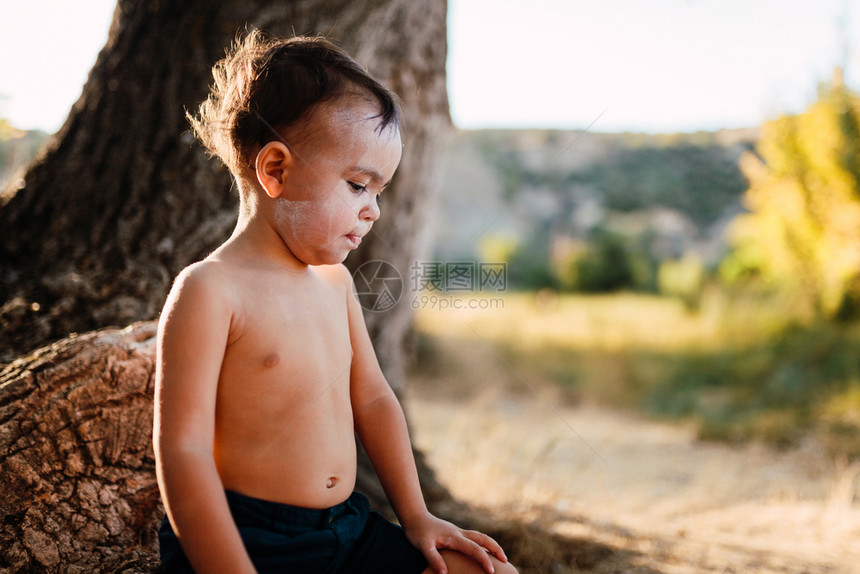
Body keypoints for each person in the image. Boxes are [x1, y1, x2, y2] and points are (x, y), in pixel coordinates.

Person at [153, 30, 517, 574]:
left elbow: (372, 400)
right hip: (250, 540)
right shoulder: (210, 290)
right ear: (275, 170)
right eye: (356, 185)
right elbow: (183, 454)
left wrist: (416, 517)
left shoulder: (334, 284)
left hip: (349, 530)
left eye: (379, 192)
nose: (372, 210)